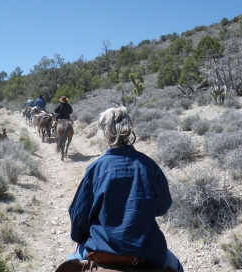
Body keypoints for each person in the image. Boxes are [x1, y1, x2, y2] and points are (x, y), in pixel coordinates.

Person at [67, 107, 184, 272]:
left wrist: (79, 237)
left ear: (104, 133)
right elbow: (162, 207)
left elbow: (79, 216)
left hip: (100, 250)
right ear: (128, 131)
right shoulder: (149, 166)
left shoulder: (94, 169)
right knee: (177, 268)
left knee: (70, 262)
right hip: (146, 252)